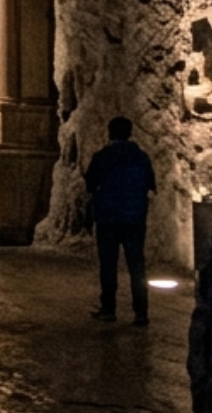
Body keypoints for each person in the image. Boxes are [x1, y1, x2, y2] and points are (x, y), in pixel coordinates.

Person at [85, 116, 158, 324]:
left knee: (108, 264)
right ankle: (141, 312)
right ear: (130, 133)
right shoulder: (141, 158)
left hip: (108, 218)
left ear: (110, 133)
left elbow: (89, 184)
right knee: (137, 265)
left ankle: (108, 309)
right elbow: (151, 184)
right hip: (134, 218)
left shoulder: (101, 157)